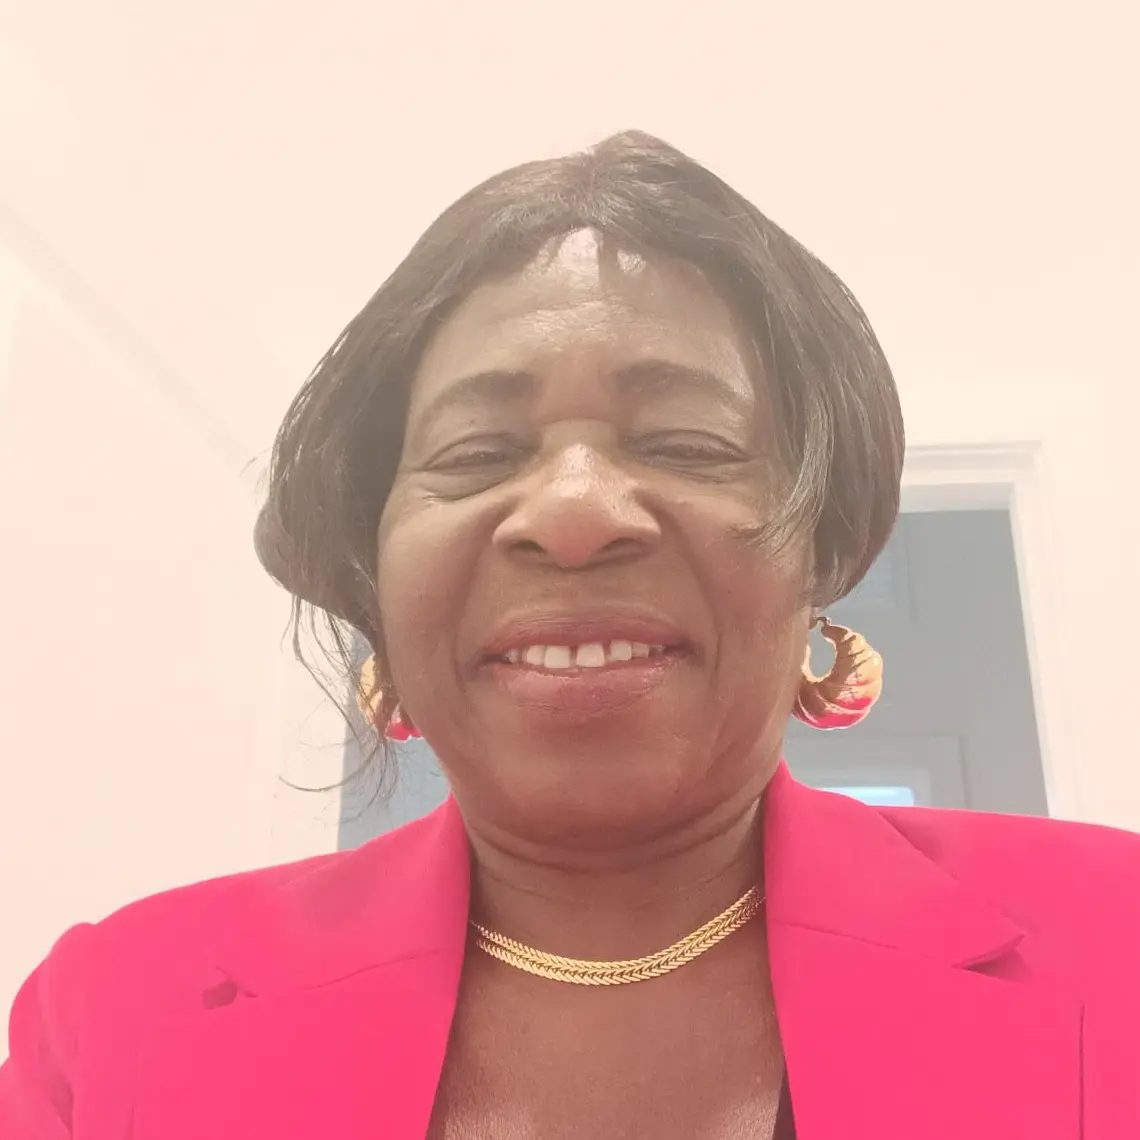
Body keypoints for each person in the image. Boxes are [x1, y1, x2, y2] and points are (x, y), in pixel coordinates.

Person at [2, 130, 1137, 1140]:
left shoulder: (1119, 945)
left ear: (821, 553)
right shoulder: (111, 1021)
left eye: (686, 443)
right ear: (374, 581)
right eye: (475, 455)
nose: (576, 513)